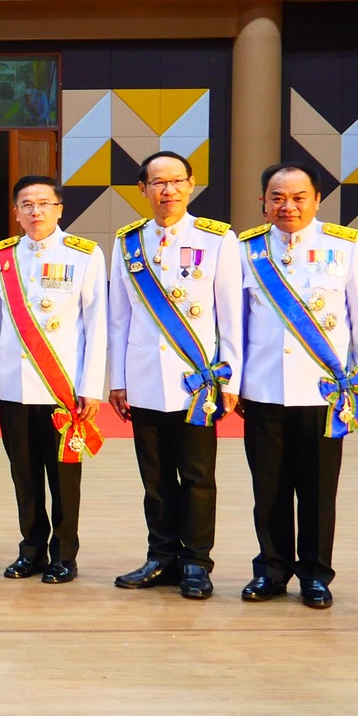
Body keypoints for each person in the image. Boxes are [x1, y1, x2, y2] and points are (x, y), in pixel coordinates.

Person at [238, 162, 358, 610]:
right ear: (264, 202)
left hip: (324, 392)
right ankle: (272, 570)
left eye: (299, 197)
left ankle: (315, 575)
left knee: (317, 491)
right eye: (277, 197)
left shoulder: (345, 245)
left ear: (317, 200)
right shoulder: (246, 249)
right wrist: (234, 382)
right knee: (269, 488)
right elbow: (235, 322)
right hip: (262, 389)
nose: (288, 206)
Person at [106, 151, 242, 600]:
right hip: (145, 378)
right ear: (142, 190)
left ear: (191, 184)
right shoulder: (127, 242)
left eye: (176, 181)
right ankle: (161, 556)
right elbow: (118, 317)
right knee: (156, 476)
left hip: (196, 382)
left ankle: (198, 562)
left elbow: (231, 315)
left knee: (198, 475)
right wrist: (117, 379)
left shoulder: (219, 239)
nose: (168, 191)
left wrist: (231, 380)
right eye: (157, 183)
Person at [0, 176, 106, 584]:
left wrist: (91, 387)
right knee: (23, 472)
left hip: (62, 389)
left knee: (63, 476)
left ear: (60, 208)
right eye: (26, 204)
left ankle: (65, 554)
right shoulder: (1, 256)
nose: (35, 212)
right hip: (13, 386)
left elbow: (97, 325)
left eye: (43, 203)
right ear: (16, 212)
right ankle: (32, 549)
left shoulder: (85, 254)